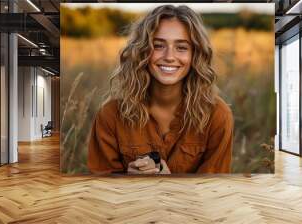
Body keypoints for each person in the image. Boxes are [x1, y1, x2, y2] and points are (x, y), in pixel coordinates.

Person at [88, 5, 233, 174]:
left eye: (181, 47)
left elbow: (214, 192)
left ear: (196, 55)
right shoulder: (110, 115)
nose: (169, 57)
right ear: (142, 52)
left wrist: (169, 184)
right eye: (158, 46)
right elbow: (100, 187)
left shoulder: (217, 116)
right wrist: (127, 181)